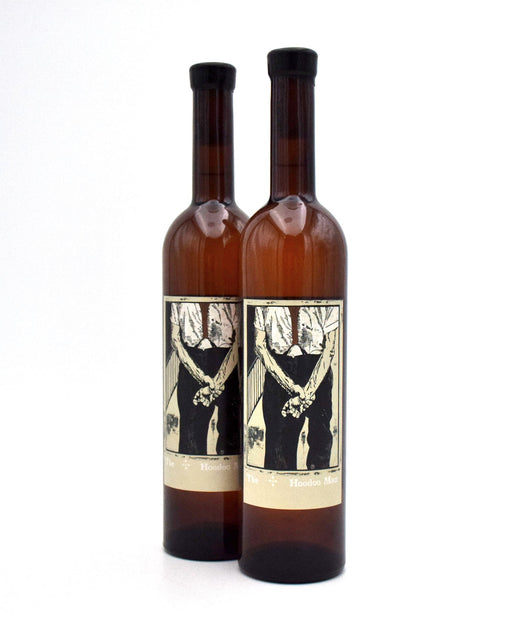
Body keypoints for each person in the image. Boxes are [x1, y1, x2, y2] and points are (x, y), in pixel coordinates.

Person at [254, 304, 338, 471]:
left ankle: (316, 484)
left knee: (320, 441)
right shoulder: (264, 305)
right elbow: (259, 345)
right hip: (279, 368)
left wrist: (309, 390)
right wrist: (290, 385)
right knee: (278, 446)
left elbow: (329, 347)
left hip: (317, 367)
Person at [170, 301, 240, 456]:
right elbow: (175, 339)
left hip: (226, 360)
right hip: (191, 361)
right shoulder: (179, 301)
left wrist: (218, 380)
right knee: (190, 435)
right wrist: (200, 376)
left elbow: (240, 339)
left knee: (230, 435)